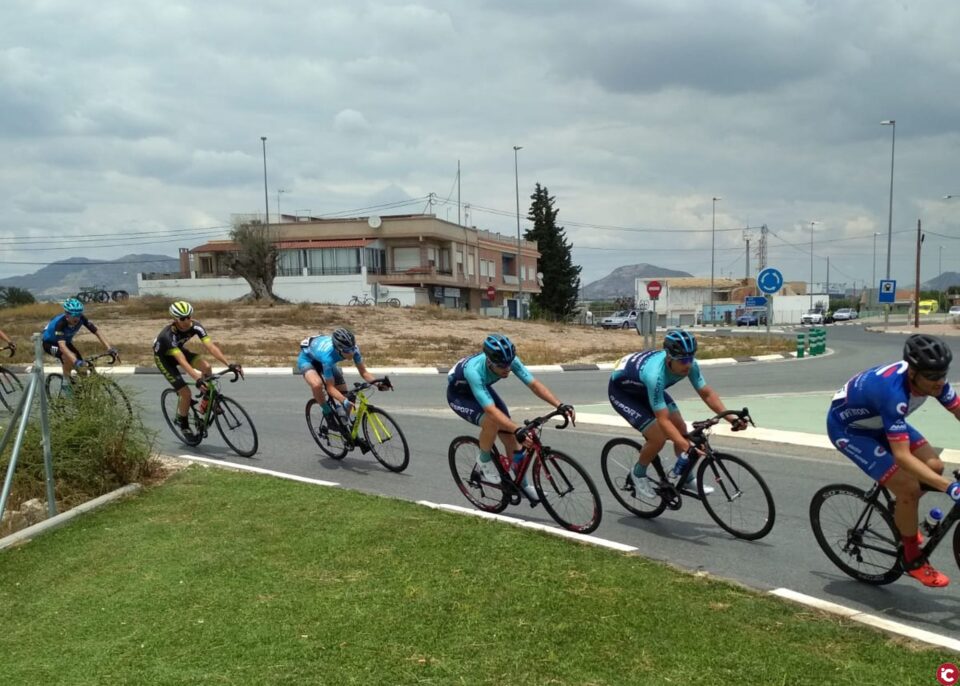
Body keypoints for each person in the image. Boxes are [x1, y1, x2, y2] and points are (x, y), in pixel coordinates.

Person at [827, 333, 960, 587]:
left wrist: (942, 481)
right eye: (932, 377)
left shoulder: (935, 381)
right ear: (912, 373)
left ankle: (901, 510)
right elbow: (902, 456)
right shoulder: (894, 395)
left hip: (879, 421)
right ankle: (913, 560)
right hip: (850, 431)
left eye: (943, 374)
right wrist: (950, 487)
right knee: (908, 487)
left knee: (935, 466)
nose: (939, 382)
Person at [608, 329, 747, 499]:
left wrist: (731, 418)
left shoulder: (690, 365)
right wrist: (684, 444)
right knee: (658, 436)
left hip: (647, 390)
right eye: (682, 360)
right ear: (669, 357)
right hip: (624, 393)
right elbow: (663, 420)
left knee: (681, 427)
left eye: (690, 358)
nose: (687, 364)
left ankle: (687, 478)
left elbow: (707, 393)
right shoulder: (655, 375)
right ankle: (638, 473)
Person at [446, 333, 575, 503]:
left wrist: (559, 405)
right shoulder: (474, 371)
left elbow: (534, 385)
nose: (507, 369)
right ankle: (484, 462)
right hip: (460, 396)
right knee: (492, 422)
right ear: (490, 362)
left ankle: (523, 485)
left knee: (513, 441)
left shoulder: (509, 361)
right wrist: (517, 428)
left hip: (481, 389)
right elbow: (491, 410)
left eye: (509, 364)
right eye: (502, 366)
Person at [153, 301, 240, 438]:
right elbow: (181, 360)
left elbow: (210, 346)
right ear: (175, 320)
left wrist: (229, 364)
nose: (187, 320)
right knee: (186, 393)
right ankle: (183, 423)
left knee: (207, 367)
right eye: (182, 318)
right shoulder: (167, 336)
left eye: (189, 316)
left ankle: (206, 402)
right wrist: (197, 379)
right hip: (165, 359)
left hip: (179, 351)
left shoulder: (196, 326)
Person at [297, 327, 388, 438]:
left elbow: (364, 373)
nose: (350, 353)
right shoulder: (328, 357)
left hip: (322, 354)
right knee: (317, 384)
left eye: (352, 349)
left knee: (348, 397)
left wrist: (378, 384)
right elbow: (330, 388)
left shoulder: (354, 350)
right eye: (346, 351)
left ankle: (344, 428)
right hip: (308, 359)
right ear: (338, 349)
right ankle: (327, 412)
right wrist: (343, 401)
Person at [42, 298, 118, 377]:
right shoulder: (60, 324)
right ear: (67, 314)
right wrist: (76, 362)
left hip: (66, 342)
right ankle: (66, 382)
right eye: (74, 315)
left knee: (83, 370)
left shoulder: (81, 318)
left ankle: (80, 388)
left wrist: (109, 348)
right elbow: (62, 346)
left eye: (79, 314)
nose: (77, 318)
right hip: (49, 343)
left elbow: (97, 332)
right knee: (67, 357)